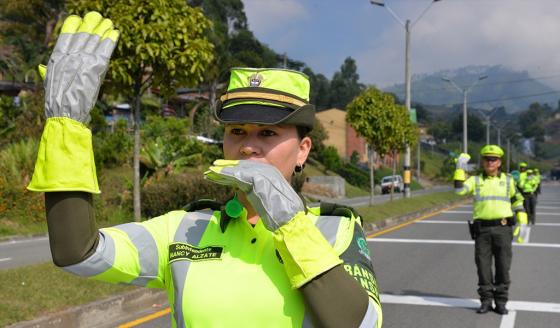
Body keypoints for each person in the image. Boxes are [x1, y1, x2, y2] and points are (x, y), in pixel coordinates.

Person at [27, 12, 382, 328]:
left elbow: (359, 323)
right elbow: (79, 253)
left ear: (303, 150)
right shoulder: (186, 228)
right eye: (237, 132)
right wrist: (66, 126)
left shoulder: (336, 229)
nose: (248, 145)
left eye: (268, 133)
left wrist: (290, 224)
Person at [453, 145, 526, 315]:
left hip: (503, 229)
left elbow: (517, 199)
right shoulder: (476, 180)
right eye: (486, 158)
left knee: (503, 267)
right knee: (483, 268)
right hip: (482, 231)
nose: (489, 162)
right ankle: (486, 301)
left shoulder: (508, 180)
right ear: (482, 161)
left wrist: (522, 217)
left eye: (493, 159)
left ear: (499, 162)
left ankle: (501, 301)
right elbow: (459, 190)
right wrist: (459, 168)